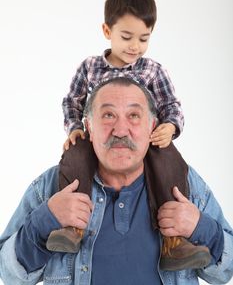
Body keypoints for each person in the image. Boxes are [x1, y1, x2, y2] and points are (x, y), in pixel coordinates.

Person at [0, 77, 233, 285]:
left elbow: (225, 273)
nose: (121, 130)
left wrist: (202, 228)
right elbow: (8, 275)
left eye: (133, 116)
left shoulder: (185, 184)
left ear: (152, 126)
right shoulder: (51, 186)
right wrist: (44, 221)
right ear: (89, 126)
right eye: (108, 115)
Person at [46, 0, 207, 271]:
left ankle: (175, 241)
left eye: (144, 39)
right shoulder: (90, 67)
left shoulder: (153, 70)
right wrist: (73, 128)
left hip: (146, 142)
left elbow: (172, 106)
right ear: (107, 31)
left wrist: (169, 126)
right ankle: (72, 228)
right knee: (74, 158)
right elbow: (72, 101)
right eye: (127, 37)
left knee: (170, 162)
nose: (135, 46)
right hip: (97, 140)